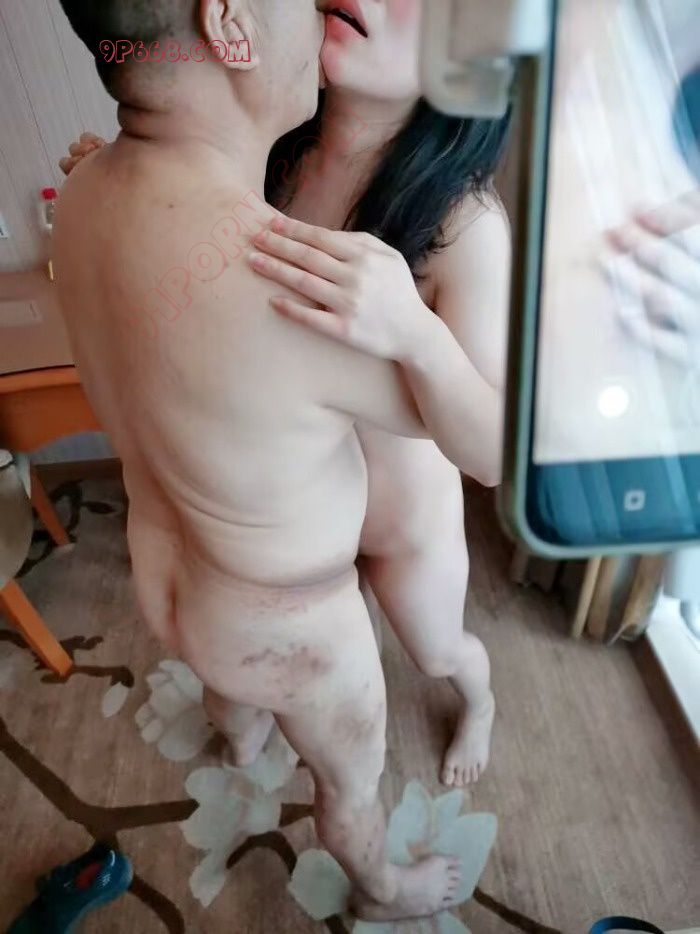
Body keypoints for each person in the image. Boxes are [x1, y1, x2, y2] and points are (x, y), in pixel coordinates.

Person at [54, 0, 464, 922]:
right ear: (231, 23)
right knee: (349, 783)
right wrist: (418, 332)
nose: (323, 16)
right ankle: (383, 889)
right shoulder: (290, 284)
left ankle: (240, 743)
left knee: (233, 693)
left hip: (169, 581)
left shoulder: (79, 194)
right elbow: (478, 446)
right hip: (292, 625)